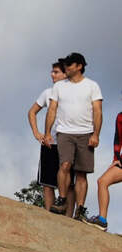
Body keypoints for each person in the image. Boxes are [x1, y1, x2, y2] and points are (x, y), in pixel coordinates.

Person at [46, 53, 103, 221]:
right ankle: (62, 199)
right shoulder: (59, 87)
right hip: (64, 132)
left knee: (81, 173)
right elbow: (52, 110)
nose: (66, 68)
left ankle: (80, 209)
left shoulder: (92, 86)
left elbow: (98, 111)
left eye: (69, 65)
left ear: (79, 66)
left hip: (86, 133)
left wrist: (96, 134)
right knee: (64, 165)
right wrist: (48, 132)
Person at [27, 60, 75, 215]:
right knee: (47, 183)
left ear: (65, 74)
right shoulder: (47, 93)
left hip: (68, 141)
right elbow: (32, 112)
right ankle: (49, 215)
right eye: (52, 71)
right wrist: (37, 133)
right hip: (50, 142)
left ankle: (68, 219)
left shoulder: (75, 92)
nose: (52, 74)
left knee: (69, 184)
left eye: (56, 72)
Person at [84, 106, 122, 231]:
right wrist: (116, 159)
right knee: (102, 182)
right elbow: (118, 139)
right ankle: (102, 220)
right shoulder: (120, 116)